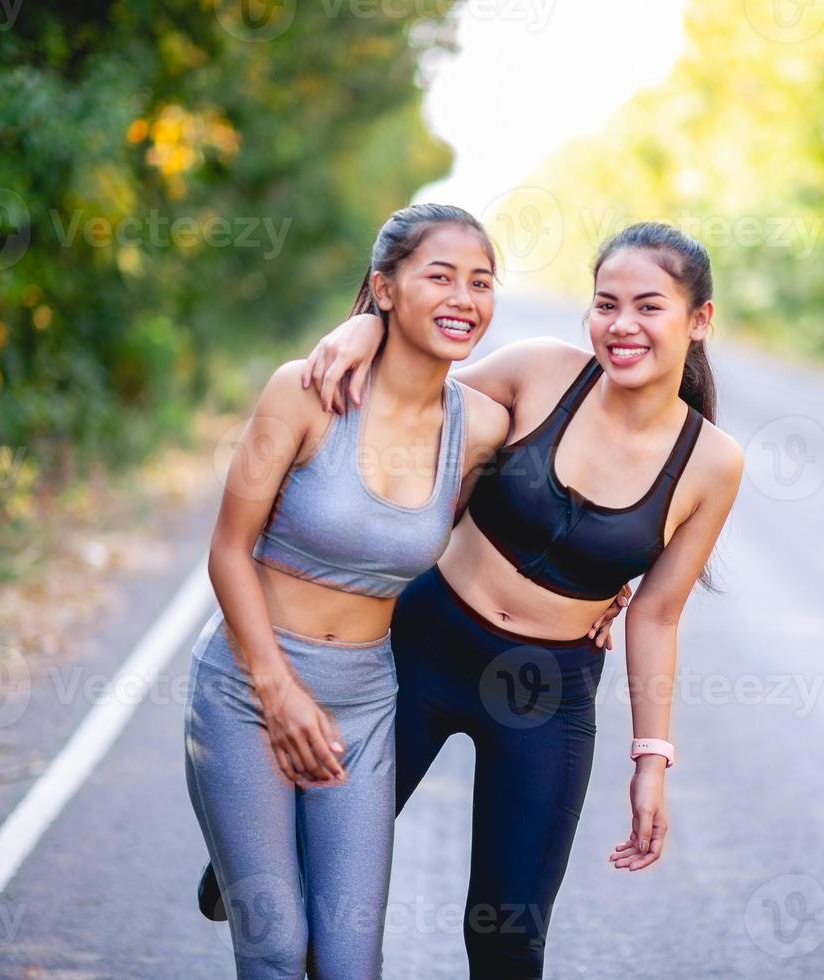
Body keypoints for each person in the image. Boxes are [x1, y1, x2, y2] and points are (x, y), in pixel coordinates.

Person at [200, 221, 744, 978]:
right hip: (426, 645)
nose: (622, 326)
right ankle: (248, 858)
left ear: (699, 321)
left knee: (508, 935)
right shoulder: (536, 373)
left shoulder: (712, 463)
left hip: (546, 693)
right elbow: (413, 397)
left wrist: (651, 757)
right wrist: (363, 325)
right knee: (310, 886)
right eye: (605, 303)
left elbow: (657, 611)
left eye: (649, 307)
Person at [184, 204, 512, 979]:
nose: (463, 297)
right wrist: (278, 691)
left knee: (349, 960)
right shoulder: (301, 391)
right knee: (272, 947)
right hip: (246, 689)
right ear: (385, 288)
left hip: (365, 705)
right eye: (439, 276)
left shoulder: (484, 427)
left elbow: (596, 438)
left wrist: (603, 591)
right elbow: (228, 551)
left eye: (481, 282)